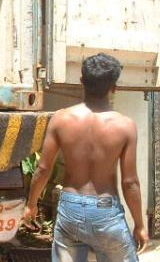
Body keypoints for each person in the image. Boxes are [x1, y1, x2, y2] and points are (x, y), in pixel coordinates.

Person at [23, 53, 148, 262]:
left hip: (70, 209)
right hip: (105, 212)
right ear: (114, 87)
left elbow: (43, 169)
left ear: (82, 82)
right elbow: (130, 183)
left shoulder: (60, 119)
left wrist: (31, 204)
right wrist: (140, 225)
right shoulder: (126, 126)